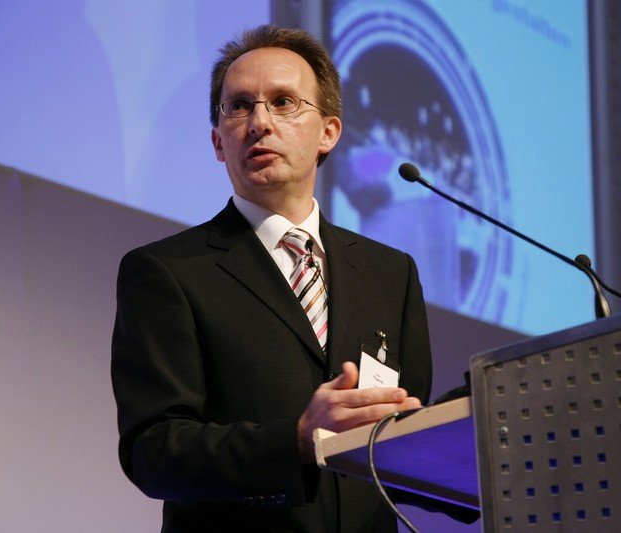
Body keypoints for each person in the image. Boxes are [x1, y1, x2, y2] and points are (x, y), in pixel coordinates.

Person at [111, 25, 433, 532]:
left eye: (283, 102)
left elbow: (406, 438)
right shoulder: (167, 271)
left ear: (328, 132)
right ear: (218, 143)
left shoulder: (390, 273)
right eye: (239, 106)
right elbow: (154, 452)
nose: (259, 122)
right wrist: (296, 439)